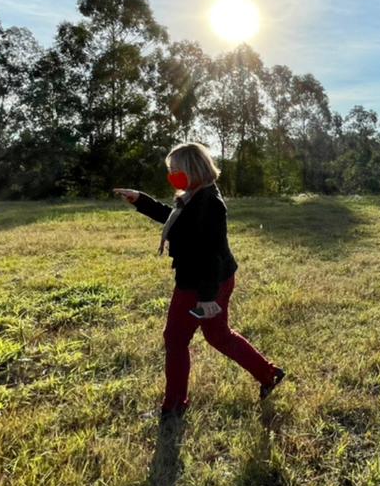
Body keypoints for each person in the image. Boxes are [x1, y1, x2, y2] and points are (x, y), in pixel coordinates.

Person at [114, 142, 285, 419]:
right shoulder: (194, 195)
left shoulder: (209, 204)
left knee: (175, 339)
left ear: (192, 169)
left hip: (201, 284)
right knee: (218, 336)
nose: (171, 175)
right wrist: (141, 199)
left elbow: (211, 255)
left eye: (175, 170)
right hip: (210, 281)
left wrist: (206, 299)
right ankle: (269, 374)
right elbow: (174, 221)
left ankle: (173, 406)